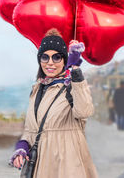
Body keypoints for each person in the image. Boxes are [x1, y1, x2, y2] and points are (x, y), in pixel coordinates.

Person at [9, 29, 98, 178]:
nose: (50, 63)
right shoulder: (37, 89)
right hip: (41, 167)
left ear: (64, 60)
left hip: (67, 167)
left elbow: (84, 111)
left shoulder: (72, 86)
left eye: (56, 57)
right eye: (45, 57)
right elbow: (31, 130)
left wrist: (75, 70)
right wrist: (22, 147)